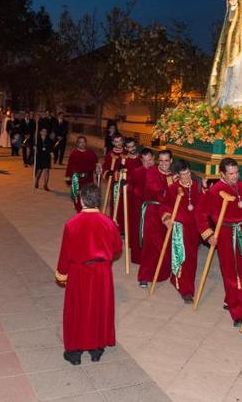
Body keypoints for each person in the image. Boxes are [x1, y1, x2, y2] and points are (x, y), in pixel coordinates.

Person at [55, 184, 122, 366]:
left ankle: (75, 352)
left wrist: (62, 274)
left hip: (79, 272)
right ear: (98, 201)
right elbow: (117, 248)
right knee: (99, 308)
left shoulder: (72, 224)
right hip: (102, 273)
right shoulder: (109, 223)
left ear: (82, 200)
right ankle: (96, 349)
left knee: (77, 309)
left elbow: (65, 254)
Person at [196, 158, 242, 326]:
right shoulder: (215, 191)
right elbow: (200, 213)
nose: (235, 177)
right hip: (227, 233)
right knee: (231, 272)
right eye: (231, 174)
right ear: (222, 174)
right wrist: (208, 233)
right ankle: (237, 311)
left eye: (236, 172)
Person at [160, 159, 203, 302]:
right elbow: (164, 206)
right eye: (183, 174)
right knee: (182, 257)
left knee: (192, 259)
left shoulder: (197, 186)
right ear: (178, 175)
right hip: (179, 228)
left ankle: (182, 280)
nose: (187, 177)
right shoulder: (173, 189)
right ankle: (186, 289)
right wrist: (167, 218)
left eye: (188, 173)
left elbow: (204, 205)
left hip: (194, 228)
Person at [136, 149, 176, 288]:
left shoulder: (172, 175)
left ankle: (162, 273)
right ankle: (145, 276)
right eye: (161, 160)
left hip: (168, 212)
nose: (164, 163)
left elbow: (173, 196)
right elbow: (156, 189)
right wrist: (170, 187)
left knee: (165, 244)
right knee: (150, 244)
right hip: (153, 211)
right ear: (158, 160)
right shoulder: (152, 171)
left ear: (171, 161)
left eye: (167, 160)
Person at [65, 136, 100, 212]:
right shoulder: (74, 154)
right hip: (76, 179)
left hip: (88, 178)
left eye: (84, 142)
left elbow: (96, 164)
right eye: (80, 142)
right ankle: (79, 212)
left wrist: (97, 171)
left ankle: (86, 211)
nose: (82, 144)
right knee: (77, 198)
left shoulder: (91, 153)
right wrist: (68, 179)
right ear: (77, 143)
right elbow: (69, 167)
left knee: (87, 196)